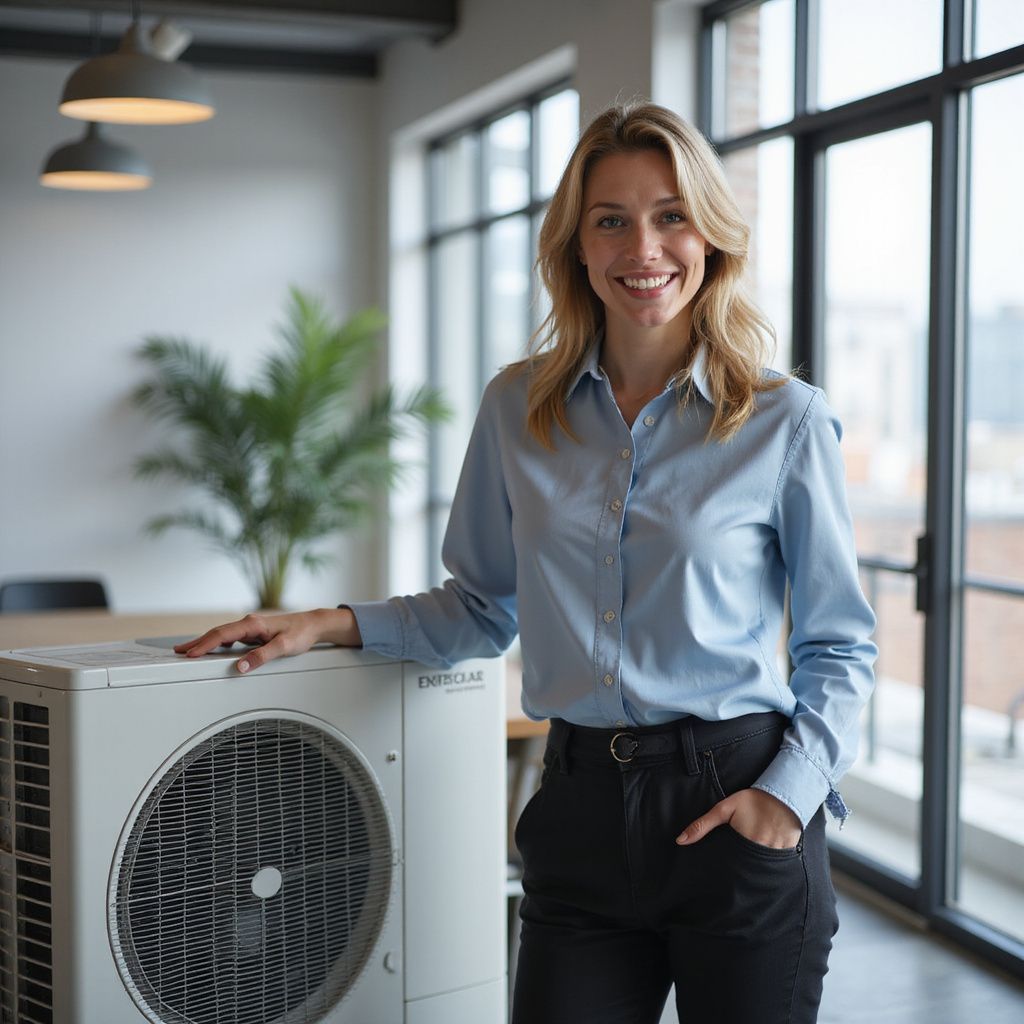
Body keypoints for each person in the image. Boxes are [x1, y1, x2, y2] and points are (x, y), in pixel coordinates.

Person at [176, 101, 877, 1024]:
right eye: (611, 220)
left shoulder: (782, 419)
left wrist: (785, 801)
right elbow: (480, 607)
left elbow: (841, 646)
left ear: (710, 235)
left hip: (734, 798)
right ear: (577, 246)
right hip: (579, 812)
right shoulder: (518, 408)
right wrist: (327, 624)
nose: (644, 248)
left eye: (671, 215)